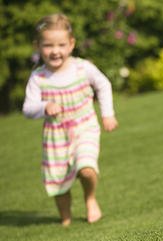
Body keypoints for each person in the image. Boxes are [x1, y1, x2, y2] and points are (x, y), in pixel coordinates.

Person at [23, 13, 118, 226]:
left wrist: (108, 113)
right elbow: (28, 109)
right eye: (48, 45)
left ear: (71, 44)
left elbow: (103, 85)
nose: (55, 51)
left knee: (86, 168)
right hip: (55, 136)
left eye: (61, 44)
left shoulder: (82, 68)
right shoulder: (38, 77)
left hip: (84, 126)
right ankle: (65, 217)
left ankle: (90, 198)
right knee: (58, 181)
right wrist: (44, 107)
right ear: (38, 46)